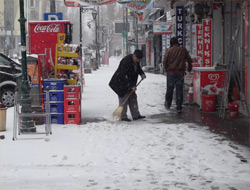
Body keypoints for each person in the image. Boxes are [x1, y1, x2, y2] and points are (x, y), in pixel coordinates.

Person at [109, 49, 146, 122]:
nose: (138, 61)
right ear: (134, 55)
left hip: (129, 83)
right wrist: (131, 86)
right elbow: (124, 76)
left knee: (133, 97)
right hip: (120, 83)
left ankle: (136, 115)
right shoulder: (126, 61)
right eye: (137, 59)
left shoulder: (135, 61)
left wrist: (141, 73)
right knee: (124, 99)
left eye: (139, 59)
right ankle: (123, 117)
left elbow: (138, 68)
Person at [163, 37, 193, 113]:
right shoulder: (183, 50)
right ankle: (179, 107)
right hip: (180, 72)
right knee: (179, 89)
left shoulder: (168, 50)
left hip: (171, 72)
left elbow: (165, 61)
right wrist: (189, 68)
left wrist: (166, 69)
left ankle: (168, 105)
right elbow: (190, 60)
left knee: (170, 89)